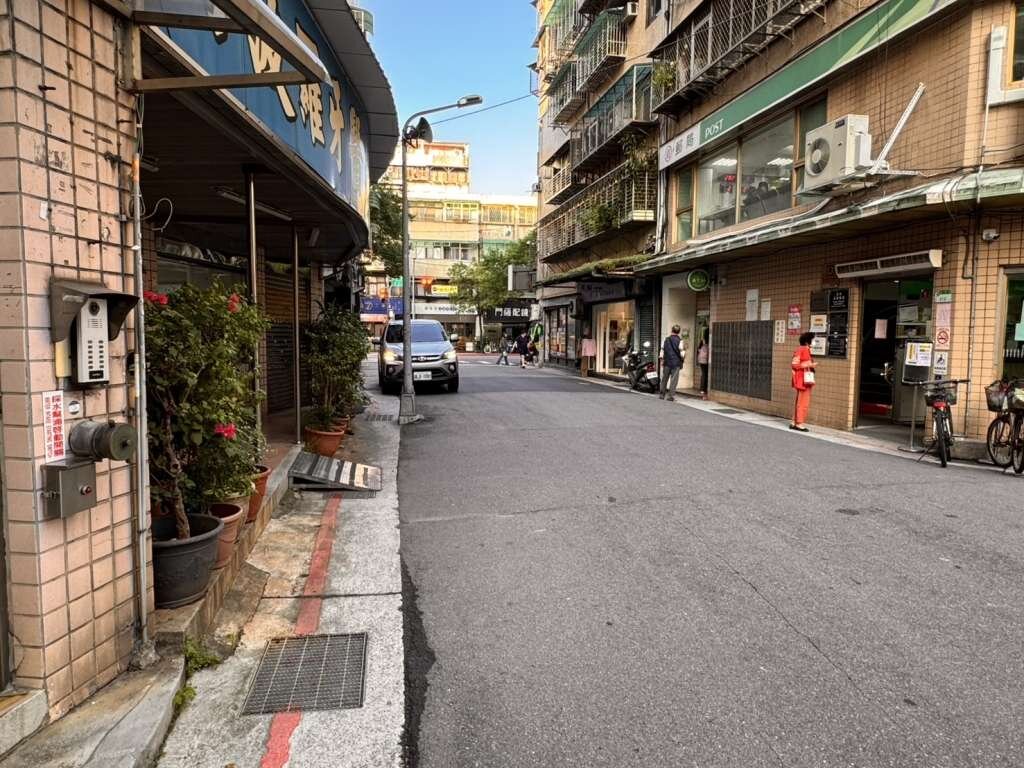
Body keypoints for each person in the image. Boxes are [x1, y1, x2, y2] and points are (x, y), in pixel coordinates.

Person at [791, 331, 816, 431]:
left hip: (803, 379)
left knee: (800, 401)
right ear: (807, 341)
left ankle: (794, 421)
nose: (814, 341)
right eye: (813, 339)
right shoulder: (803, 349)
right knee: (803, 402)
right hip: (803, 380)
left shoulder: (804, 349)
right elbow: (794, 364)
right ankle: (799, 423)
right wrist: (809, 365)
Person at [659, 325, 684, 400]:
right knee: (674, 380)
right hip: (676, 363)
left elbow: (662, 350)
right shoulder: (680, 341)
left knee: (664, 379)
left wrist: (661, 360)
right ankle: (670, 396)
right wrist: (682, 360)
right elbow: (682, 353)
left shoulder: (666, 339)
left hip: (667, 362)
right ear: (679, 332)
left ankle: (662, 395)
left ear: (671, 330)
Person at [697, 329, 710, 399]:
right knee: (706, 374)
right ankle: (705, 389)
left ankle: (702, 389)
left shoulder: (702, 341)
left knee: (703, 374)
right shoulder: (710, 340)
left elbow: (698, 349)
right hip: (707, 359)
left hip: (701, 359)